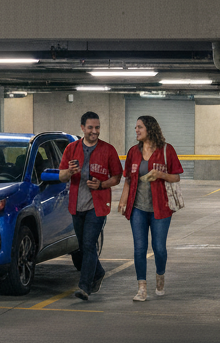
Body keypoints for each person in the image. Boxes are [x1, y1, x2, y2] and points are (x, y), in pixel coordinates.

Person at [118, 115, 183, 301]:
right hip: (137, 207)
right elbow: (128, 180)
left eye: (140, 127)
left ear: (150, 129)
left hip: (160, 208)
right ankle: (141, 288)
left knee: (159, 247)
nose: (136, 130)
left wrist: (161, 174)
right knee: (139, 248)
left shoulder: (166, 150)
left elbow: (176, 177)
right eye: (136, 127)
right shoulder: (133, 152)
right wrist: (123, 201)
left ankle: (160, 276)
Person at [59, 111, 122, 300]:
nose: (95, 131)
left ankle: (84, 287)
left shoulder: (108, 150)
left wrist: (102, 184)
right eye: (90, 128)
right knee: (84, 246)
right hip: (76, 206)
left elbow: (117, 177)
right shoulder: (71, 148)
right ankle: (99, 272)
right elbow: (61, 176)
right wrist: (70, 172)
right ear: (82, 128)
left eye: (97, 127)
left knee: (88, 244)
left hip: (98, 206)